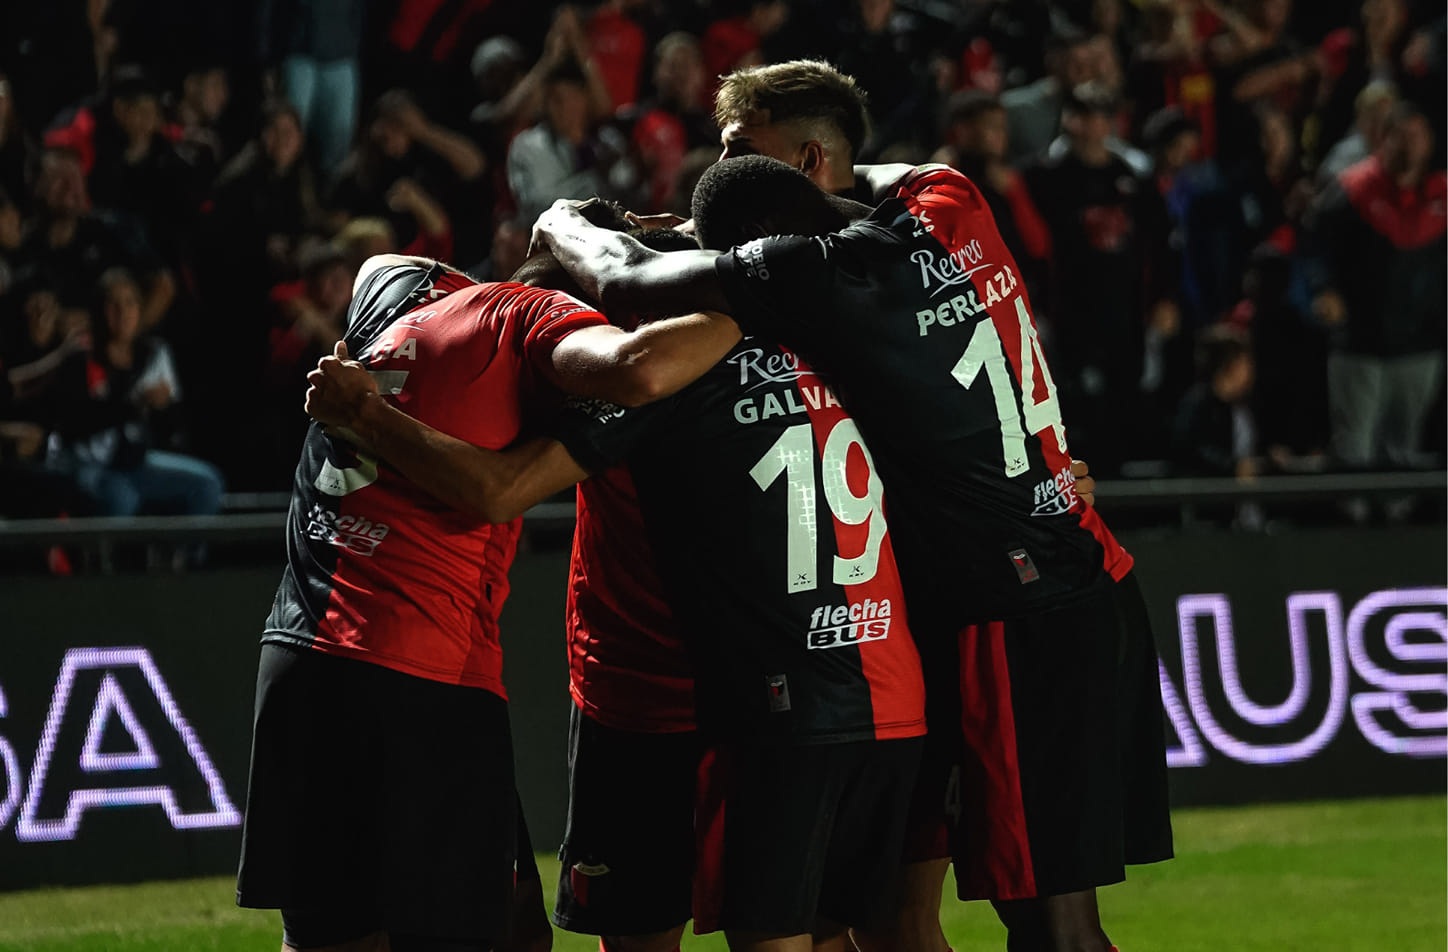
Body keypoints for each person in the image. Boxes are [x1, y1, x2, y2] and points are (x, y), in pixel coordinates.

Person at [529, 145, 1174, 952]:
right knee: (890, 924)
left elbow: (626, 344)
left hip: (788, 675)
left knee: (1040, 930)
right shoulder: (942, 211)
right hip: (930, 649)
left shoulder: (785, 300)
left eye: (743, 140)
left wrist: (563, 224)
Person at [304, 199, 932, 952]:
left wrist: (568, 230)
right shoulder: (839, 345)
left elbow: (504, 484)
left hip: (665, 694)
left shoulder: (648, 369)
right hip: (826, 684)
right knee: (877, 934)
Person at [234, 237, 738, 951]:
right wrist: (747, 302)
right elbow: (631, 375)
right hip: (419, 669)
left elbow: (387, 269)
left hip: (299, 649)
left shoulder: (397, 288)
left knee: (336, 931)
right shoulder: (532, 317)